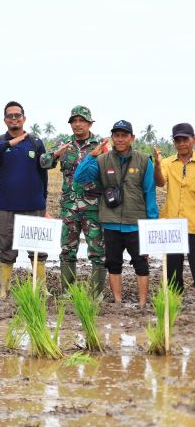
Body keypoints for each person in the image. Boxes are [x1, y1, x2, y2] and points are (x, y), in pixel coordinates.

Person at [74, 120, 158, 307]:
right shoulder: (103, 160)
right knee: (113, 263)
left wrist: (151, 225)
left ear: (132, 138)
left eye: (124, 135)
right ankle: (118, 302)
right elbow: (80, 178)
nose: (120, 139)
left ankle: (143, 304)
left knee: (141, 264)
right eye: (116, 135)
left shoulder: (144, 160)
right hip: (111, 222)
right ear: (112, 138)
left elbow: (150, 193)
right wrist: (91, 156)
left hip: (136, 223)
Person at [0, 101, 48, 298]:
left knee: (38, 250)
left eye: (17, 115)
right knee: (7, 248)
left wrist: (43, 201)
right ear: (5, 120)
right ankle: (4, 289)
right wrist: (9, 144)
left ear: (24, 118)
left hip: (34, 205)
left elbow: (44, 171)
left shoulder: (36, 142)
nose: (14, 119)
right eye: (10, 116)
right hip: (7, 206)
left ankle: (41, 288)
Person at [40, 106, 106, 294]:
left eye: (81, 121)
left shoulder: (99, 145)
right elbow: (43, 162)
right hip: (69, 207)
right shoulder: (64, 143)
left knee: (97, 253)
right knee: (67, 251)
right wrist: (55, 154)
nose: (77, 124)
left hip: (93, 207)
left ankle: (96, 294)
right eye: (74, 121)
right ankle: (68, 292)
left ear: (90, 123)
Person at [154, 122, 195, 294]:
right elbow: (160, 182)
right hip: (171, 225)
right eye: (177, 140)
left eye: (185, 139)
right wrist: (156, 164)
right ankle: (175, 306)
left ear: (193, 140)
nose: (181, 143)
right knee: (173, 271)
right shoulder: (168, 162)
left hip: (193, 224)